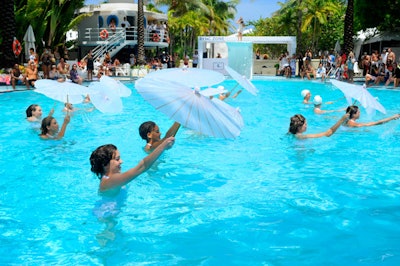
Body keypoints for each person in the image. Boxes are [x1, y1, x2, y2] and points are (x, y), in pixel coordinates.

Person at [89, 137, 175, 196]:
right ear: (105, 165)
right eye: (117, 159)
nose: (121, 162)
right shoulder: (110, 180)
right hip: (107, 214)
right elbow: (142, 166)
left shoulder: (110, 179)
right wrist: (162, 146)